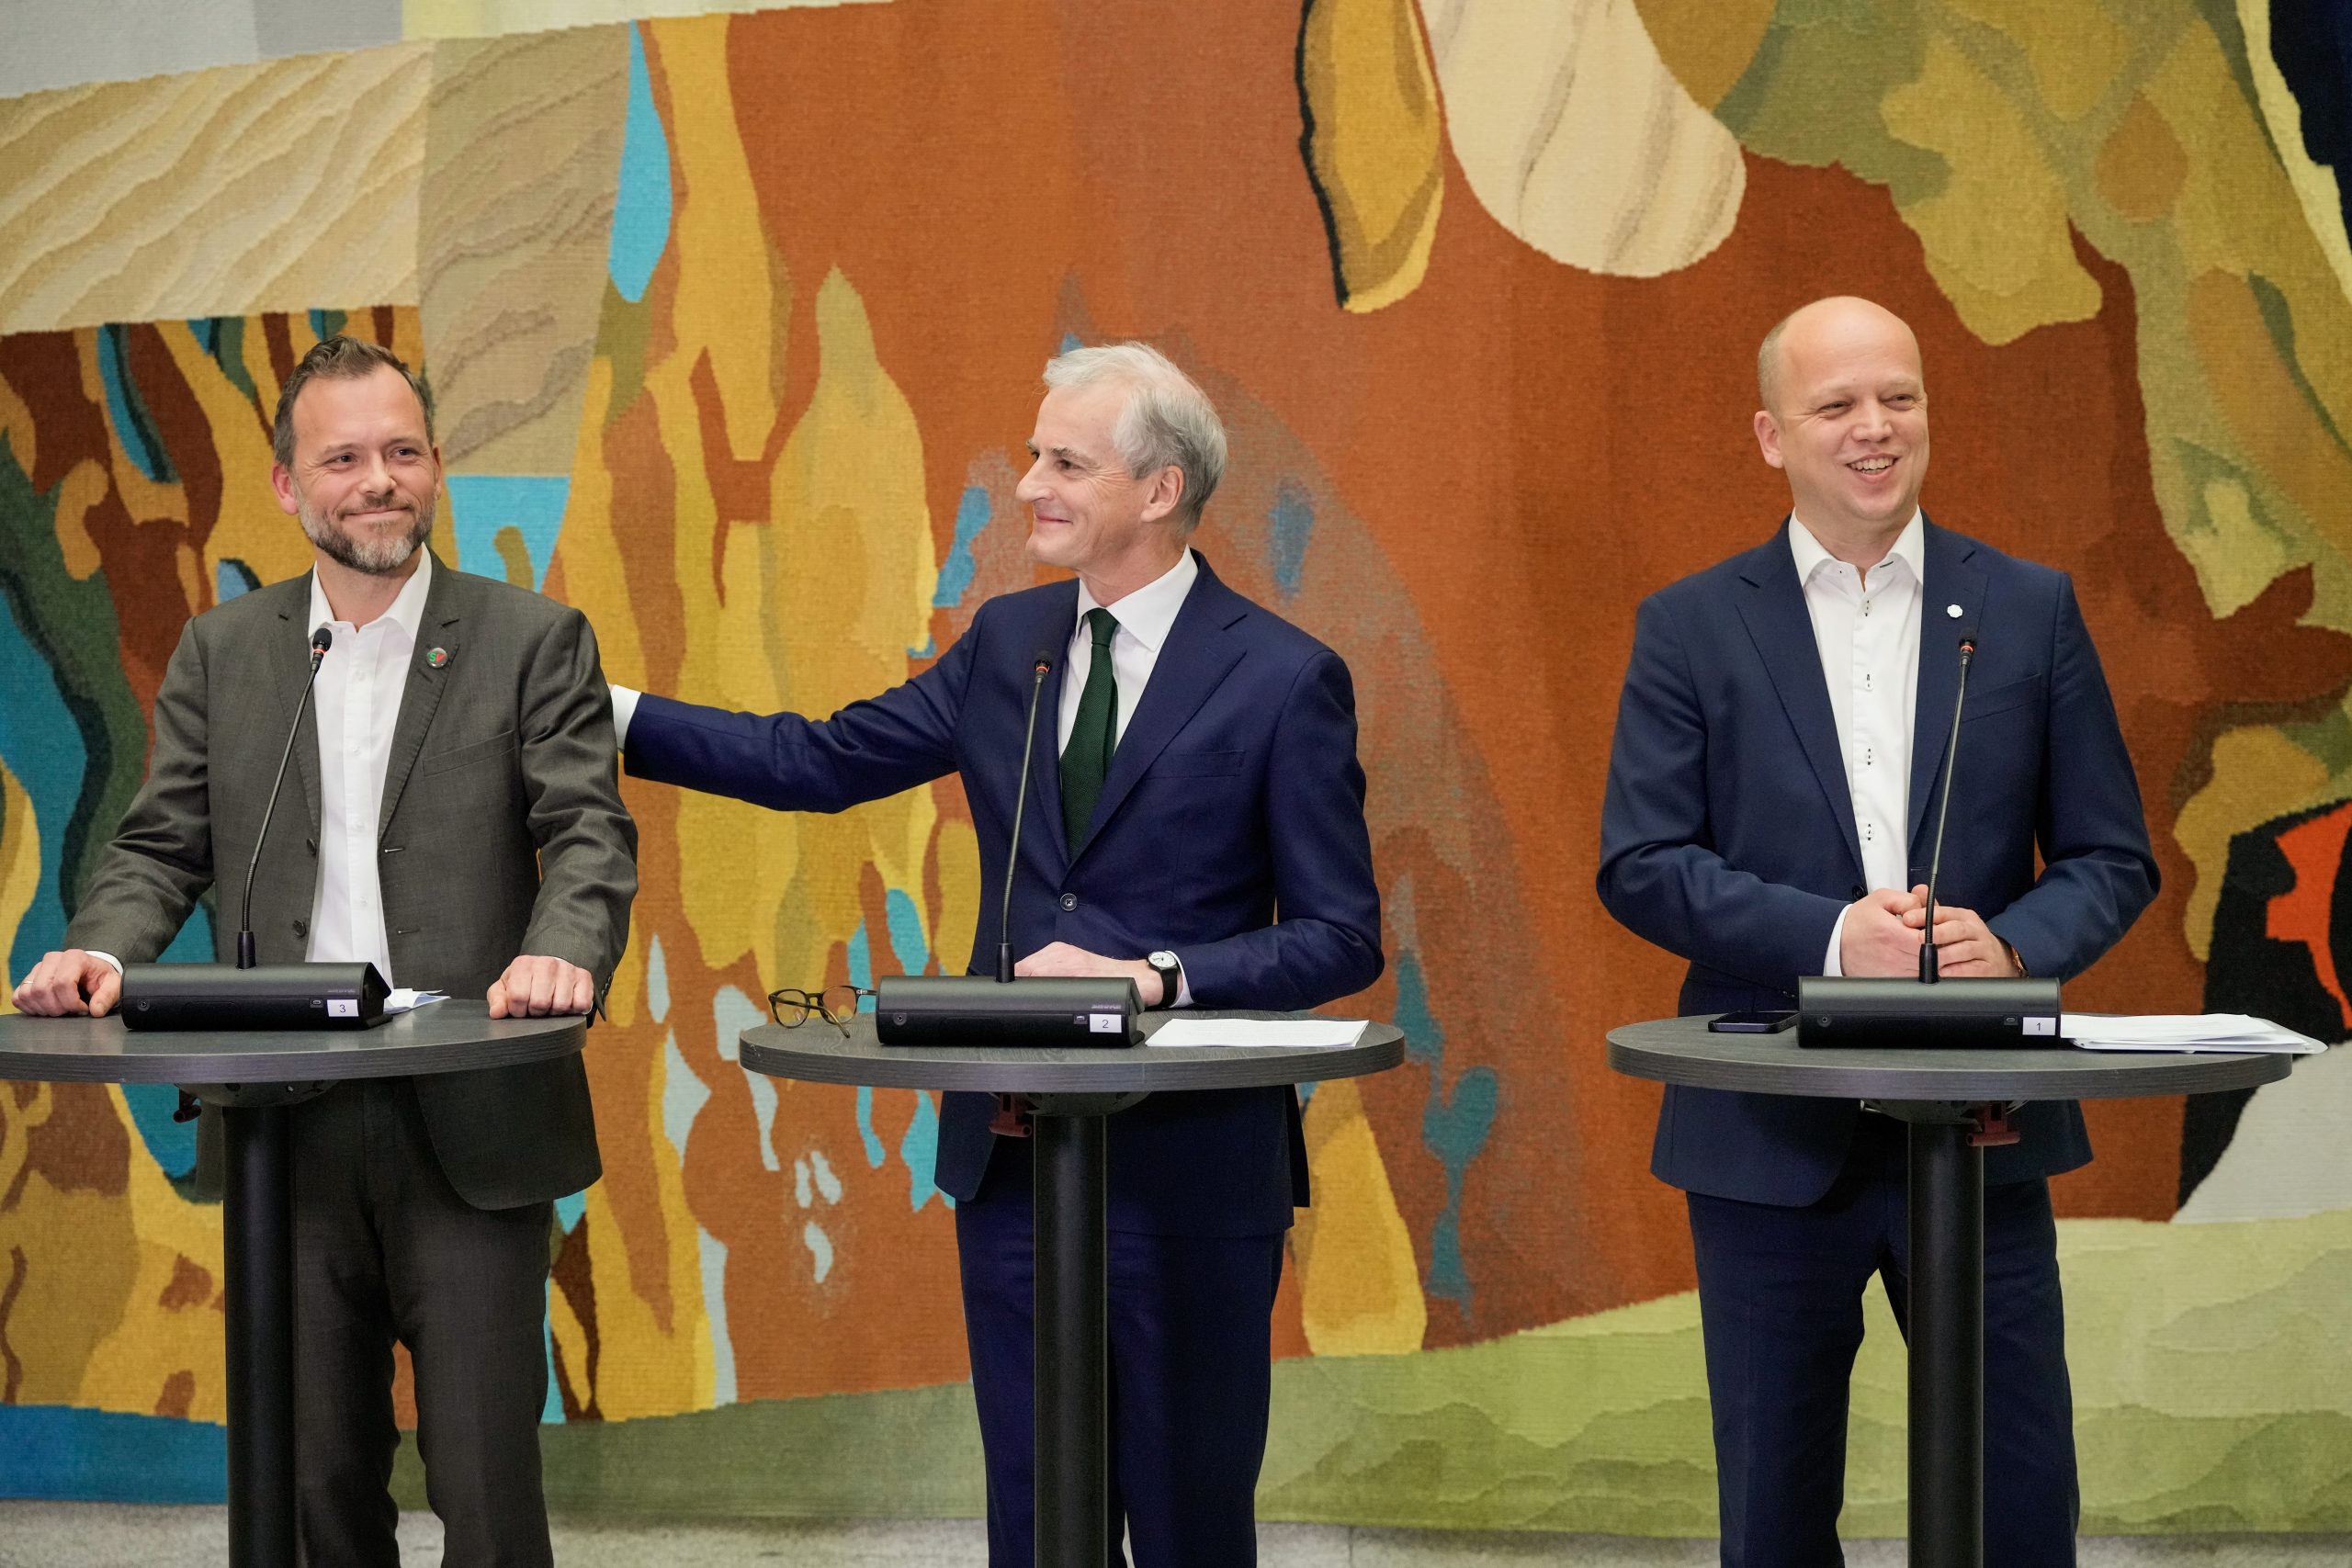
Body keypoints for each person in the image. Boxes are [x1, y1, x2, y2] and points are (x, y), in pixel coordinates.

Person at [616, 341, 1381, 1564]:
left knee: (1190, 1524)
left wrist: (1161, 977)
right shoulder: (1008, 642)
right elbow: (814, 763)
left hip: (1187, 1177)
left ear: (1160, 489)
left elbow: (1343, 938)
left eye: (1065, 461)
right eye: (1035, 455)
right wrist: (601, 712)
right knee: (1034, 1524)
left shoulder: (1285, 680)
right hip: (1019, 1167)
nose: (1028, 483)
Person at [11, 335, 637, 1567]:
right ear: (292, 489)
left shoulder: (533, 638)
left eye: (402, 452)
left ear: (438, 470)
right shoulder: (228, 653)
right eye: (343, 457)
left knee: (484, 1483)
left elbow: (589, 836)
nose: (378, 479)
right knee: (315, 1484)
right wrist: (101, 949)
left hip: (471, 1114)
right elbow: (157, 846)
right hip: (283, 1125)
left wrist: (561, 952)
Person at [1596, 297, 2157, 1566]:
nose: (1873, 428)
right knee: (1778, 1520)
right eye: (1836, 405)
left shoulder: (2028, 610)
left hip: (1981, 1131)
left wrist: (2013, 946)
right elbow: (1640, 865)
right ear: (1770, 436)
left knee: (2016, 1508)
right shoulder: (1692, 624)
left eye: (1897, 397)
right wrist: (1838, 937)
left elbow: (2114, 857)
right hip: (1763, 1138)